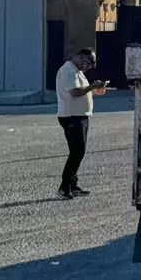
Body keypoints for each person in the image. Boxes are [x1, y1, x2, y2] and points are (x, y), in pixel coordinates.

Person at [55, 48, 107, 199]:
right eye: (88, 62)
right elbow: (74, 92)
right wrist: (92, 86)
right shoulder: (68, 71)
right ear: (80, 56)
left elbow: (81, 92)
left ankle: (73, 185)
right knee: (77, 152)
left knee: (79, 152)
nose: (89, 66)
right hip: (72, 116)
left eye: (91, 64)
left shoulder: (77, 72)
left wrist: (94, 91)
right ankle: (64, 188)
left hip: (79, 116)